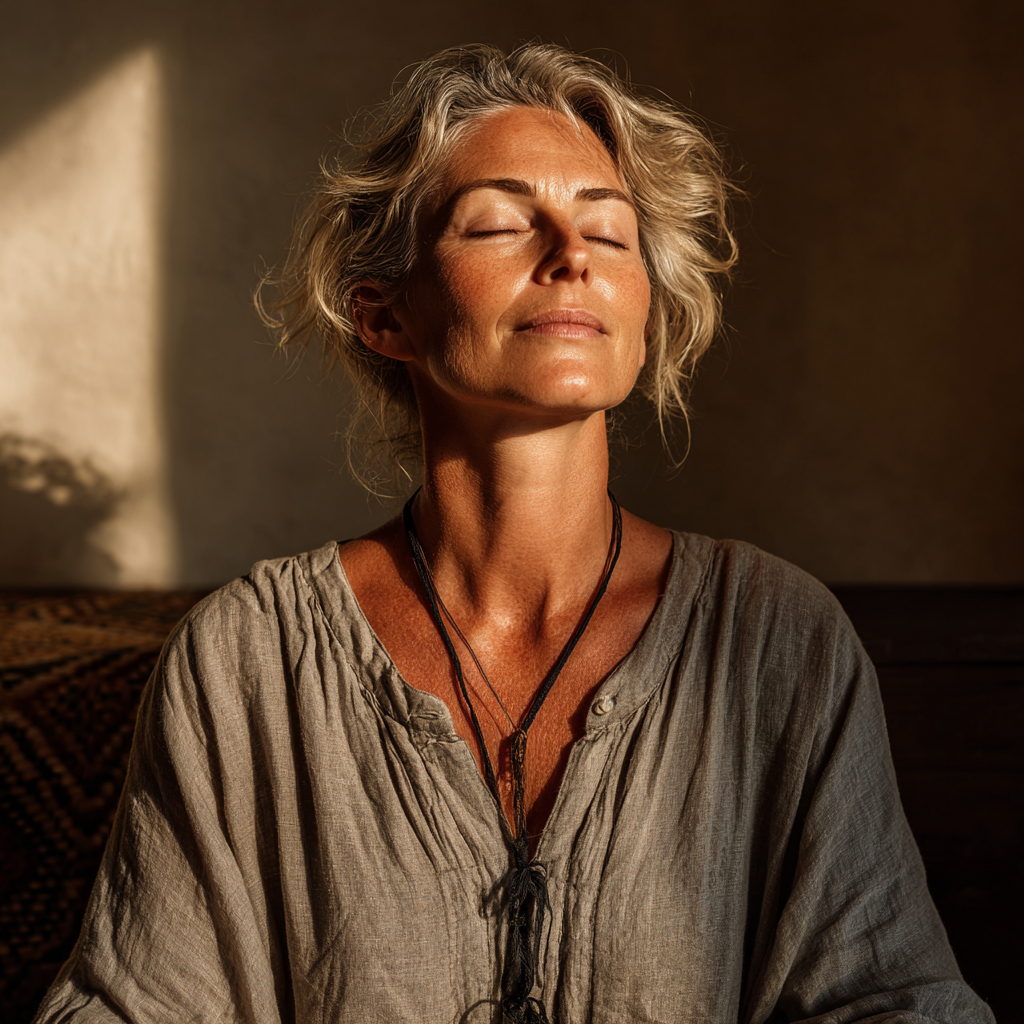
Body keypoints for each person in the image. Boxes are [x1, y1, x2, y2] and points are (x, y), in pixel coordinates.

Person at [34, 43, 994, 1024]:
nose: (571, 254)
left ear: (644, 314)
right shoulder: (249, 660)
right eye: (498, 222)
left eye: (610, 235)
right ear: (384, 314)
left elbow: (892, 1000)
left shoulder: (778, 640)